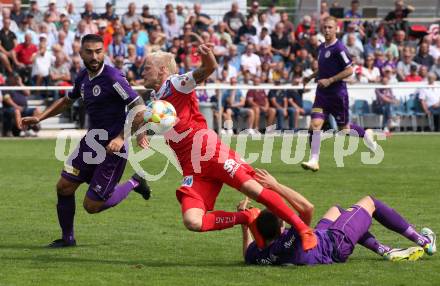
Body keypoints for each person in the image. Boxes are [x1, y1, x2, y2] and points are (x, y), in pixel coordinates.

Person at [141, 41, 318, 251]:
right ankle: (247, 216)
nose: (142, 72)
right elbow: (148, 116)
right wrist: (141, 130)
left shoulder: (176, 83)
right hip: (192, 167)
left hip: (210, 151)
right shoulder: (155, 98)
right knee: (193, 221)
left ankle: (303, 229)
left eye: (146, 68)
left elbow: (208, 69)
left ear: (162, 70)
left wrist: (207, 55)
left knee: (254, 189)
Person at [20, 34, 151, 248]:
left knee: (92, 205)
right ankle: (67, 239)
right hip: (91, 143)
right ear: (80, 53)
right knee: (63, 187)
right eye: (89, 51)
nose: (94, 56)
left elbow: (139, 107)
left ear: (104, 52)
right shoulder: (82, 77)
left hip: (113, 149)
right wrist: (39, 117)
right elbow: (66, 101)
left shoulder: (113, 78)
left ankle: (135, 181)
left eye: (98, 51)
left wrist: (121, 138)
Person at [241, 169, 436, 265]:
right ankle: (424, 241)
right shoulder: (289, 239)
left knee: (337, 210)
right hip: (335, 243)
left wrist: (244, 222)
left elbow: (246, 253)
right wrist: (275, 186)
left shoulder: (259, 253)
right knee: (370, 202)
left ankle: (385, 250)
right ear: (282, 227)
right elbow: (307, 208)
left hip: (321, 238)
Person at [301, 16, 377, 172]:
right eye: (325, 27)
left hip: (337, 95)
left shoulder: (339, 48)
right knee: (314, 126)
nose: (327, 30)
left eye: (330, 27)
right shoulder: (322, 47)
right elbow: (323, 68)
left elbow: (349, 70)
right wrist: (310, 77)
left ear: (336, 29)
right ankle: (314, 160)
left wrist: (330, 80)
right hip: (322, 94)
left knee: (345, 130)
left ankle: (366, 134)